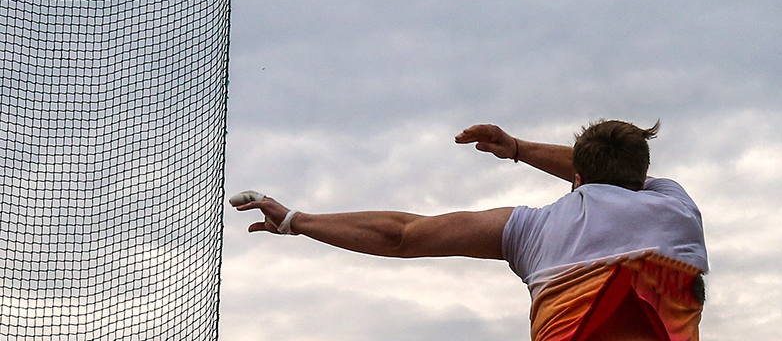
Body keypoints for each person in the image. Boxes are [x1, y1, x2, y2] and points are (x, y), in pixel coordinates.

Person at [232, 120, 708, 341]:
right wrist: (520, 148)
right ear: (643, 171)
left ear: (575, 177)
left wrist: (299, 221)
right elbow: (611, 171)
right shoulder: (677, 209)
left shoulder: (534, 229)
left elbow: (401, 235)